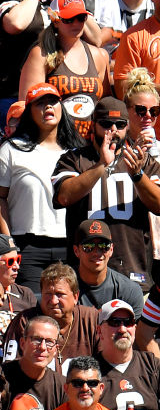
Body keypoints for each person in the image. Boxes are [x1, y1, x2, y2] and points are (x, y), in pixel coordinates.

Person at [54, 98, 160, 291]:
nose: (113, 129)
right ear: (93, 124)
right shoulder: (74, 159)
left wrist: (137, 175)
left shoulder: (142, 161)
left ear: (127, 126)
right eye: (105, 124)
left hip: (133, 269)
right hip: (84, 273)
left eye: (119, 125)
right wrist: (101, 164)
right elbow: (64, 196)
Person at [0, 84, 84, 293]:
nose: (47, 107)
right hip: (27, 246)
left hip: (69, 247)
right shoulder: (12, 149)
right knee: (30, 309)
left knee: (65, 308)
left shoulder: (78, 152)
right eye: (40, 103)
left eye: (52, 102)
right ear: (29, 112)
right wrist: (9, 242)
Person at [18, 0, 111, 139]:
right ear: (55, 20)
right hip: (55, 143)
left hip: (89, 146)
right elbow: (26, 105)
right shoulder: (41, 55)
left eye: (81, 18)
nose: (76, 23)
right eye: (68, 19)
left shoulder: (99, 55)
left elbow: (106, 105)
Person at [92, 300, 159, 410]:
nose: (122, 329)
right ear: (99, 331)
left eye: (128, 322)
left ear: (134, 328)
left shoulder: (152, 364)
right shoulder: (90, 372)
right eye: (114, 322)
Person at [2, 262, 101, 368]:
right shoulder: (24, 321)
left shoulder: (91, 319)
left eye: (60, 294)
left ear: (76, 297)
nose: (53, 301)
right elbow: (10, 369)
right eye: (48, 294)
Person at [0, 316, 66, 410]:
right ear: (22, 343)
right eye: (36, 340)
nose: (42, 347)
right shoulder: (0, 378)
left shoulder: (62, 386)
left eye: (49, 342)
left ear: (56, 349)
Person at [71, 220, 147, 315]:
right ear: (76, 251)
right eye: (88, 246)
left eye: (103, 246)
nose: (97, 253)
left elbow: (134, 329)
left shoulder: (129, 290)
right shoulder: (62, 286)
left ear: (111, 249)